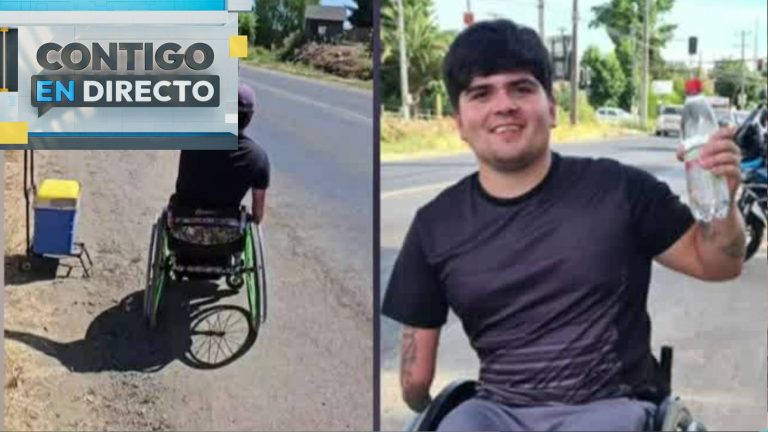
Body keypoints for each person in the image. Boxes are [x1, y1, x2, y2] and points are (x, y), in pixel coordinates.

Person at [381, 19, 745, 431]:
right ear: (459, 123)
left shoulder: (618, 190)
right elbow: (416, 378)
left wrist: (722, 205)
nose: (503, 105)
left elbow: (719, 263)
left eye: (521, 88)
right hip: (495, 414)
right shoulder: (434, 226)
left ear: (552, 109)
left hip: (612, 407)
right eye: (481, 93)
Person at [170, 82, 270, 245]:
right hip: (227, 238)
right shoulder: (258, 157)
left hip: (182, 233)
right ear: (249, 117)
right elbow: (257, 216)